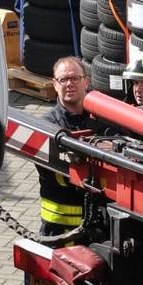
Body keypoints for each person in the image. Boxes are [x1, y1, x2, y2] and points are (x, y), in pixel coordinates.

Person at [37, 56, 102, 237]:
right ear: (55, 84)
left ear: (86, 82)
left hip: (98, 224)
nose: (69, 84)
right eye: (63, 79)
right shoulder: (47, 125)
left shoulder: (100, 120)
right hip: (58, 228)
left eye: (75, 78)